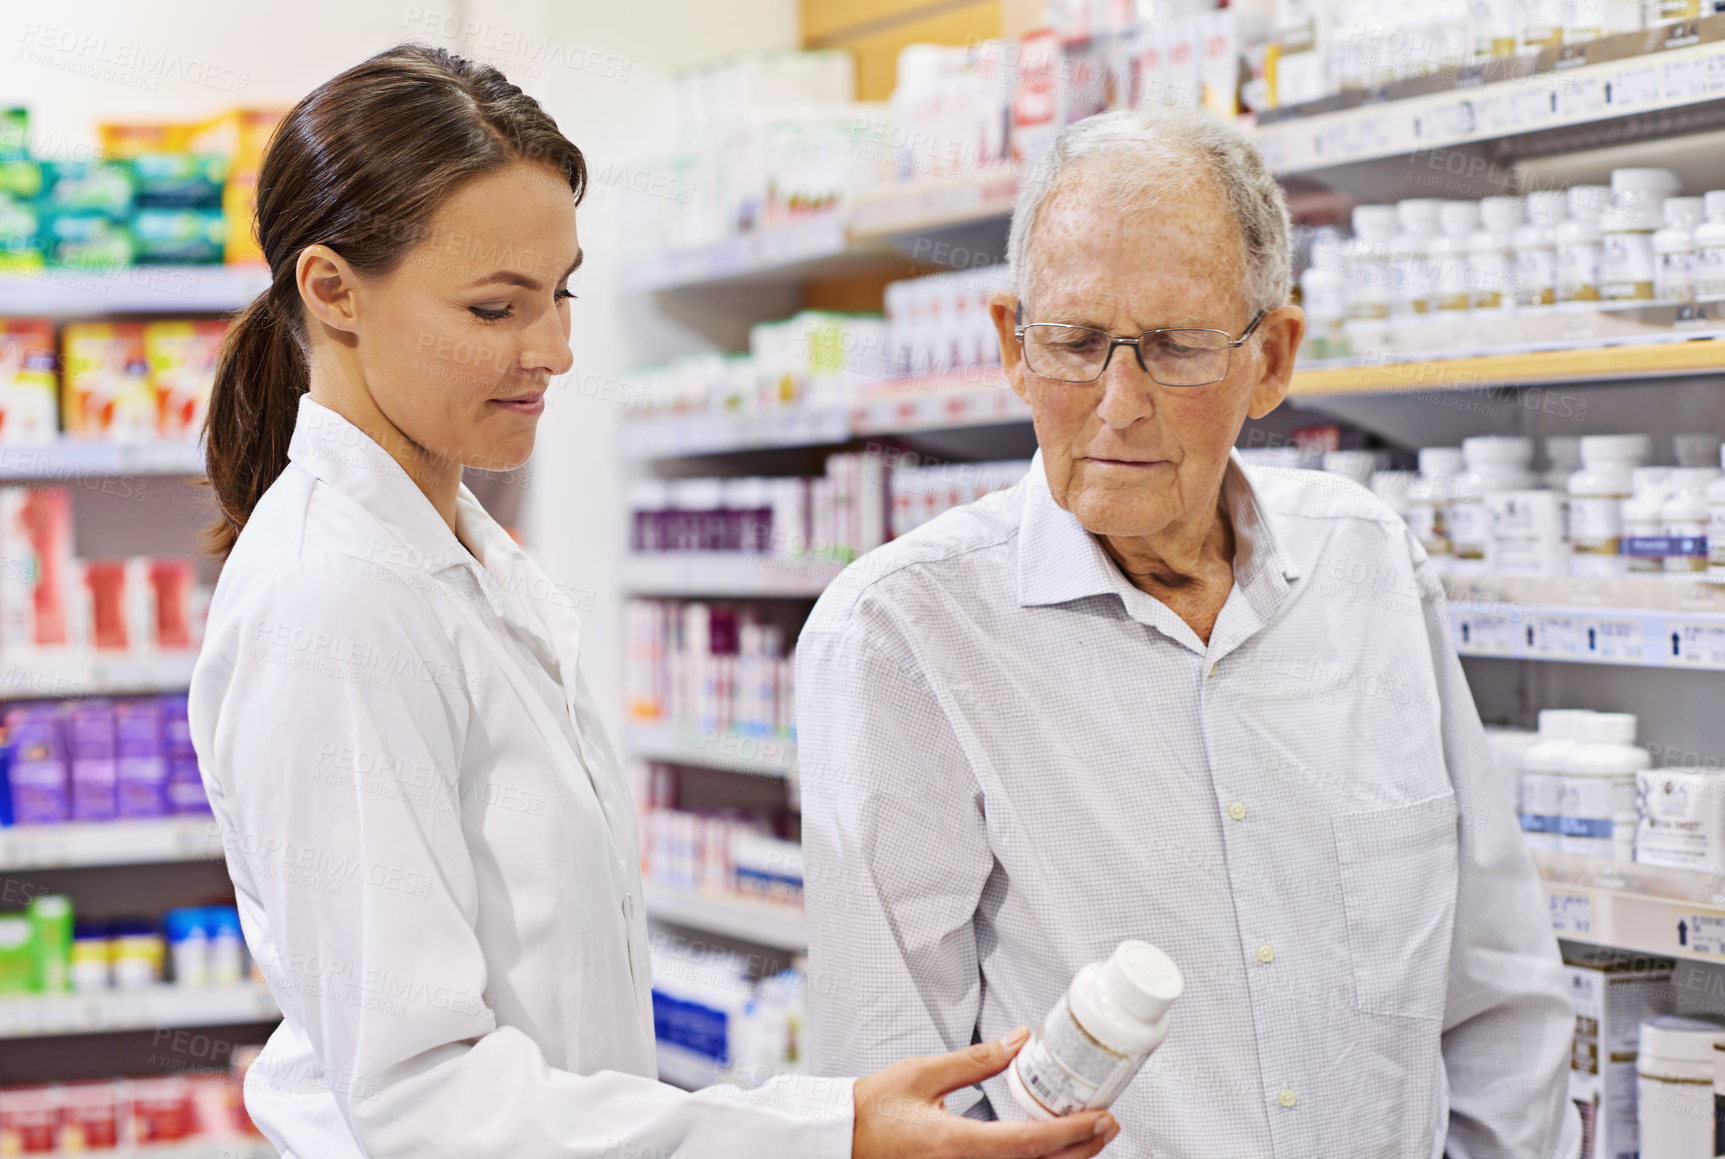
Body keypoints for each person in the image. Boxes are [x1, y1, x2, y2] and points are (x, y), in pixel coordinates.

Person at [189, 43, 1123, 1159]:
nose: (557, 350)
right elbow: (425, 1102)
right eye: (496, 308)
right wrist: (828, 1138)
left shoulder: (457, 558)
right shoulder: (333, 601)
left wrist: (834, 1114)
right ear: (332, 291)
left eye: (561, 293)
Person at [796, 106, 1582, 1159]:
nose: (1118, 405)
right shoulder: (904, 634)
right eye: (1074, 342)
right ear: (1013, 348)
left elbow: (1496, 993)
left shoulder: (1370, 567)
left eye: (1176, 348)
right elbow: (898, 1089)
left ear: (1273, 357)